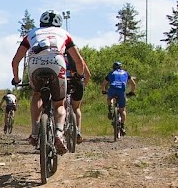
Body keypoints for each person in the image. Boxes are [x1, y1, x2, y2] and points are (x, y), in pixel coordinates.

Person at [10, 10, 89, 155]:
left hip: (34, 64)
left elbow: (15, 61)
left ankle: (34, 133)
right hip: (57, 62)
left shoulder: (31, 34)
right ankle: (59, 133)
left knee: (37, 94)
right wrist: (79, 75)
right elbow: (78, 61)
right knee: (59, 103)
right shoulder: (64, 34)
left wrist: (16, 79)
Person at [102, 61, 136, 136]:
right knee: (122, 109)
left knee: (109, 98)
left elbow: (104, 84)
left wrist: (103, 91)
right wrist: (132, 92)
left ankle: (110, 108)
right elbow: (133, 84)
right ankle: (123, 126)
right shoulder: (125, 73)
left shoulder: (111, 73)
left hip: (112, 89)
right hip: (121, 91)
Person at [65, 48, 91, 143]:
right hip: (77, 83)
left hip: (63, 83)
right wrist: (84, 86)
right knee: (76, 108)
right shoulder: (79, 59)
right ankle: (78, 132)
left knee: (59, 106)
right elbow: (88, 75)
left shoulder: (59, 58)